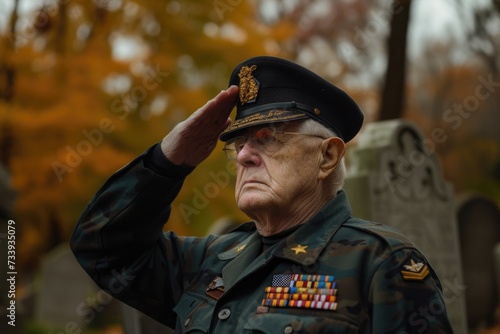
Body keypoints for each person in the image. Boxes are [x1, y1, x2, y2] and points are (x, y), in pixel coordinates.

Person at [70, 56, 453, 333]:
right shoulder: (211, 260)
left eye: (267, 139)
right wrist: (166, 162)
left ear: (327, 155)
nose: (244, 155)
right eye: (237, 144)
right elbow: (102, 248)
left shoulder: (380, 264)